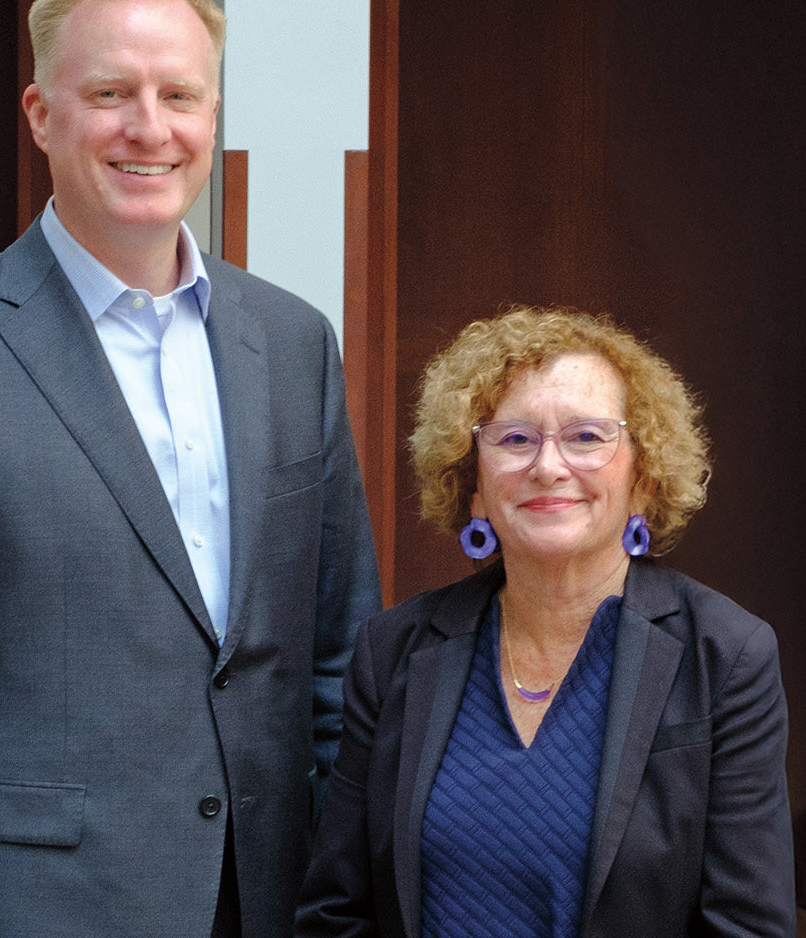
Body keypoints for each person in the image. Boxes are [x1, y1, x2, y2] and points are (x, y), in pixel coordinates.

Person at [0, 0, 381, 938]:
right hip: (46, 913)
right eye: (110, 94)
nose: (148, 127)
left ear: (213, 116)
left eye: (179, 95)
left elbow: (339, 661)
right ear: (43, 115)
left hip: (276, 902)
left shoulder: (295, 344)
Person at [298, 307, 794, 936]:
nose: (549, 466)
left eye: (587, 437)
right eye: (514, 439)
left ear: (643, 477)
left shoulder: (724, 656)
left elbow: (748, 926)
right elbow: (337, 912)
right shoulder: (393, 651)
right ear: (473, 485)